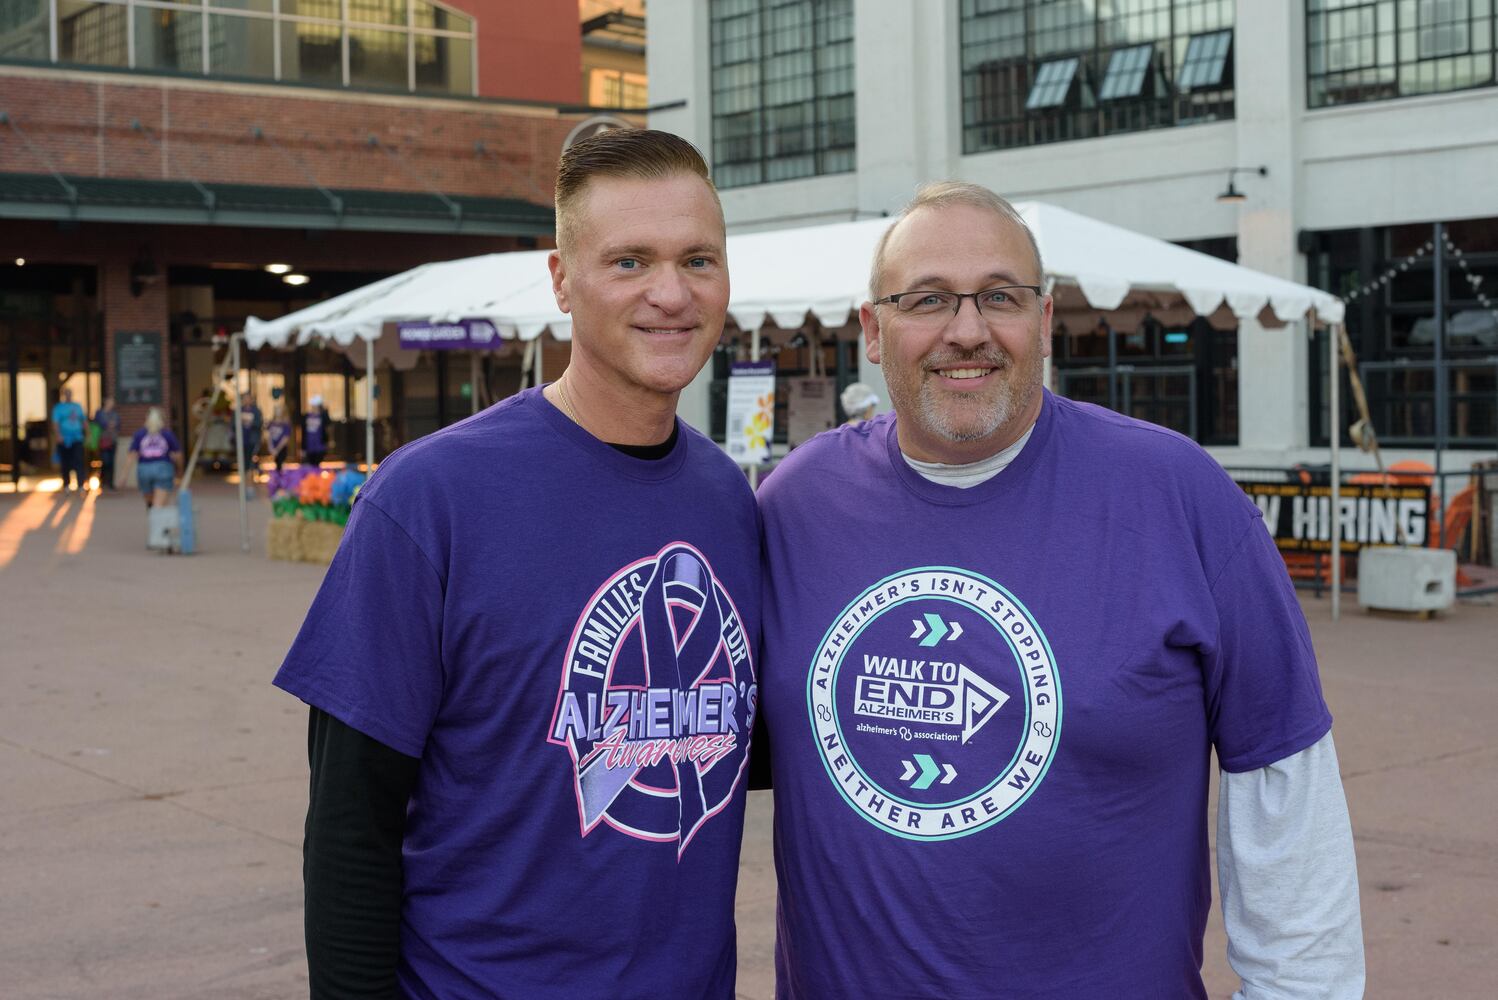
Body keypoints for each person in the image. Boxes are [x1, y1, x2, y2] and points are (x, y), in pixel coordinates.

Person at [756, 182, 1364, 999]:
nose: (966, 331)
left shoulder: (1176, 495)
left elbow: (1285, 791)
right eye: (927, 299)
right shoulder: (795, 506)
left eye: (1000, 297)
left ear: (1044, 321)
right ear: (872, 328)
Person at [273, 129, 760, 999]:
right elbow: (351, 826)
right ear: (562, 280)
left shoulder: (731, 501)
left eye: (698, 259)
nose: (671, 293)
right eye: (628, 262)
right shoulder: (431, 497)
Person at [125, 408, 182, 508]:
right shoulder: (167, 434)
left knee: (150, 502)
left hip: (144, 469)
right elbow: (178, 454)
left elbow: (132, 454)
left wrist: (124, 475)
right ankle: (157, 519)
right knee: (159, 505)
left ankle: (153, 517)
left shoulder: (140, 434)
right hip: (163, 467)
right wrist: (180, 470)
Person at [51, 386, 87, 491]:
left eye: (69, 393)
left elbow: (83, 421)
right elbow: (55, 423)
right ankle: (66, 484)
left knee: (79, 461)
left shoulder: (77, 406)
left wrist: (87, 434)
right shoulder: (58, 408)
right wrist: (58, 435)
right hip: (64, 439)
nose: (68, 395)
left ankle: (81, 485)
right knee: (66, 462)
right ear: (63, 395)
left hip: (77, 438)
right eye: (66, 393)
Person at [93, 397, 121, 491]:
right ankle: (102, 481)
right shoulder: (100, 413)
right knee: (105, 461)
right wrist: (109, 424)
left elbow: (117, 424)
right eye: (110, 402)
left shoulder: (115, 414)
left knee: (112, 462)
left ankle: (110, 483)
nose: (112, 404)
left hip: (113, 440)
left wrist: (110, 424)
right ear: (105, 402)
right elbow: (100, 423)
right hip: (103, 441)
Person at [302, 394, 329, 467]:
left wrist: (325, 410)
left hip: (319, 445)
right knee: (310, 464)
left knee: (317, 464)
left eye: (316, 405)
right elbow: (303, 433)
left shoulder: (322, 416)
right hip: (309, 445)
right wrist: (303, 447)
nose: (314, 407)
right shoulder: (306, 416)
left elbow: (328, 424)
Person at [264, 402, 293, 471]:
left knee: (281, 464)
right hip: (273, 447)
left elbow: (286, 438)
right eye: (276, 409)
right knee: (275, 465)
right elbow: (269, 435)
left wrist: (277, 449)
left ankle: (281, 479)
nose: (277, 412)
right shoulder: (272, 422)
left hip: (281, 448)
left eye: (279, 410)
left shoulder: (286, 424)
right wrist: (270, 447)